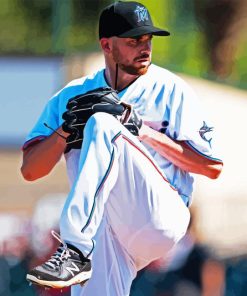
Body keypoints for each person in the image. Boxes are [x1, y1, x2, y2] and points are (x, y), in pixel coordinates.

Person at [21, 1, 223, 295]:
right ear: (107, 45)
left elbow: (212, 167)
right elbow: (30, 170)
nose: (145, 47)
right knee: (98, 123)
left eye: (147, 39)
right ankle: (79, 251)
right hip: (106, 230)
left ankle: (75, 250)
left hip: (160, 216)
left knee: (104, 123)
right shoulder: (72, 96)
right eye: (133, 40)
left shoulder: (171, 90)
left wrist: (142, 131)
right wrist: (65, 130)